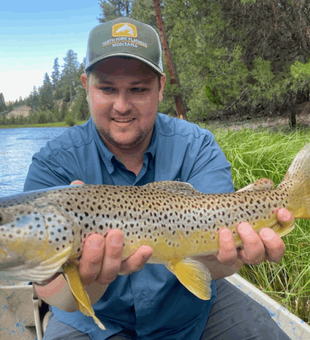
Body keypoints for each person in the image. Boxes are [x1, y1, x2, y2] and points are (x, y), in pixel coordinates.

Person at [24, 17, 293, 340]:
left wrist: (235, 258)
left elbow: (215, 259)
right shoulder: (53, 164)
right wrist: (91, 280)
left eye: (138, 89)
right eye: (107, 88)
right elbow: (58, 296)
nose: (122, 106)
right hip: (95, 319)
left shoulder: (197, 145)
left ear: (161, 87)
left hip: (191, 311)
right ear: (85, 86)